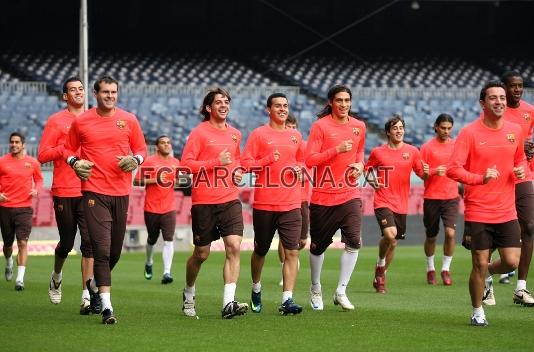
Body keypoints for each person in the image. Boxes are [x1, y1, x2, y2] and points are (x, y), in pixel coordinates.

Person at [64, 75, 147, 324]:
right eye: (105, 92)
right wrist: (75, 162)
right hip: (93, 191)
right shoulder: (82, 121)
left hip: (121, 192)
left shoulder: (129, 120)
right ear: (95, 94)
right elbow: (67, 149)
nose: (110, 96)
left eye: (113, 92)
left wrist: (137, 161)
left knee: (114, 252)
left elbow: (141, 149)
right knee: (100, 249)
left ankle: (94, 286)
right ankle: (107, 308)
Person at [447, 81, 525, 326]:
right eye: (493, 98)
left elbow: (520, 159)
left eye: (502, 97)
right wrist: (479, 178)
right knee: (478, 263)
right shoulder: (469, 133)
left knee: (512, 261)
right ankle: (477, 310)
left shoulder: (515, 130)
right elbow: (452, 169)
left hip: (507, 210)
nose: (499, 101)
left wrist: (520, 170)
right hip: (479, 210)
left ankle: (489, 273)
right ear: (483, 103)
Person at [180, 88, 248, 319]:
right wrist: (215, 162)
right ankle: (189, 293)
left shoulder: (235, 134)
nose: (223, 105)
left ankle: (229, 302)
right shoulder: (199, 133)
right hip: (204, 201)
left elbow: (237, 160)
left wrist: (237, 171)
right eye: (218, 102)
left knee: (234, 247)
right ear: (209, 108)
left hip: (229, 198)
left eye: (226, 101)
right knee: (201, 254)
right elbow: (186, 165)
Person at [241, 93, 305, 315]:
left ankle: (287, 300)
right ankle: (256, 286)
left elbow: (304, 164)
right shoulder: (258, 135)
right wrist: (267, 160)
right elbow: (246, 164)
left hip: (291, 204)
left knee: (292, 252)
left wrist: (300, 169)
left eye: (285, 106)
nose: (282, 109)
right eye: (277, 106)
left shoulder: (296, 136)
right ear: (268, 109)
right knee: (261, 249)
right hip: (265, 204)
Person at [305, 84, 366, 311]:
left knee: (353, 241)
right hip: (323, 197)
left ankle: (341, 290)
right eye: (339, 100)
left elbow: (360, 152)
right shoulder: (320, 127)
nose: (343, 105)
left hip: (350, 193)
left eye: (347, 100)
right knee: (318, 247)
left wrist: (360, 164)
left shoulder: (359, 126)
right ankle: (315, 287)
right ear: (331, 102)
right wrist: (336, 150)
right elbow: (310, 160)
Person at [38, 77, 94, 314]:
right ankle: (56, 275)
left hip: (91, 188)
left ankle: (87, 296)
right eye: (73, 89)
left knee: (90, 244)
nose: (78, 92)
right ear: (65, 96)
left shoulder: (94, 118)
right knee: (67, 243)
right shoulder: (56, 121)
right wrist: (65, 149)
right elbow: (42, 155)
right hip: (64, 189)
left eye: (81, 89)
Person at [365, 115, 429, 294]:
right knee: (390, 235)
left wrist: (426, 173)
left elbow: (422, 175)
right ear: (388, 132)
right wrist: (372, 181)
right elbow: (367, 169)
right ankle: (380, 264)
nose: (399, 131)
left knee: (393, 243)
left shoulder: (412, 151)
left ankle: (380, 274)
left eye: (401, 127)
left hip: (401, 203)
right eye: (395, 128)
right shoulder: (378, 152)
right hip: (382, 200)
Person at [495, 71, 534, 306]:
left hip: (523, 174)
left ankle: (521, 288)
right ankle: (486, 280)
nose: (517, 90)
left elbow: (528, 140)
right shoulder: (496, 110)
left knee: (529, 226)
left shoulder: (530, 111)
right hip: (499, 177)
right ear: (504, 88)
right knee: (492, 232)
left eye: (520, 86)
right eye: (513, 86)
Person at [133, 135, 180, 285]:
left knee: (169, 239)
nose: (166, 145)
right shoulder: (150, 161)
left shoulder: (175, 162)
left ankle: (167, 272)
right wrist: (156, 180)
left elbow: (177, 183)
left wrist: (181, 181)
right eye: (163, 143)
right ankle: (149, 261)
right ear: (157, 146)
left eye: (168, 142)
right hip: (152, 207)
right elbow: (136, 181)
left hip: (169, 208)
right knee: (152, 239)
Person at [0, 132, 43, 291]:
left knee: (23, 242)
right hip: (5, 208)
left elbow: (39, 180)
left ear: (23, 145)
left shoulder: (32, 163)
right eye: (12, 142)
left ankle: (20, 279)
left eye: (17, 142)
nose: (14, 144)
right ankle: (9, 261)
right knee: (8, 245)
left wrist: (36, 190)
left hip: (24, 208)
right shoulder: (2, 162)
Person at [420, 114, 459, 286]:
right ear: (436, 127)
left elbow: (461, 168)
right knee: (431, 236)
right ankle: (430, 269)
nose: (446, 131)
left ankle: (445, 269)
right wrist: (435, 171)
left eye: (449, 128)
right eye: (443, 127)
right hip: (432, 197)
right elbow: (422, 173)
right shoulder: (427, 148)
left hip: (451, 197)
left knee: (450, 233)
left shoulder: (456, 146)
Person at [277, 114, 309, 286]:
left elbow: (310, 169)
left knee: (302, 240)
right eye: (287, 126)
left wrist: (303, 174)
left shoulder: (304, 146)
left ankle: (293, 257)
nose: (291, 130)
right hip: (285, 200)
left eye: (293, 126)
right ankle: (286, 268)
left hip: (302, 199)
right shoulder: (278, 146)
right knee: (285, 239)